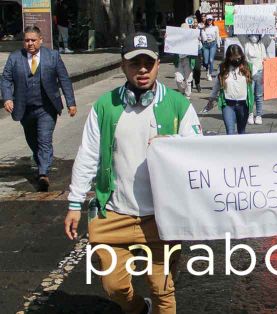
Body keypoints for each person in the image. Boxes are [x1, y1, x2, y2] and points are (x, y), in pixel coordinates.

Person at [64, 32, 202, 314]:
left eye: (148, 63)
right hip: (114, 213)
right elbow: (89, 154)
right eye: (134, 63)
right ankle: (139, 310)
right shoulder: (105, 106)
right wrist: (75, 203)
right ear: (122, 66)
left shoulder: (178, 105)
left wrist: (173, 144)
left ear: (157, 64)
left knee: (162, 289)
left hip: (161, 217)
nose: (142, 69)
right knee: (114, 287)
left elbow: (198, 152)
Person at [1, 26, 77, 191]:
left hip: (46, 108)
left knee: (44, 138)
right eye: (27, 40)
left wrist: (71, 102)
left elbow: (64, 79)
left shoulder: (53, 56)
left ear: (40, 40)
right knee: (32, 139)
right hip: (25, 108)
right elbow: (6, 79)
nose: (30, 43)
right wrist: (7, 98)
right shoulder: (15, 58)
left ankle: (43, 173)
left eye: (33, 40)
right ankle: (42, 160)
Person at [208, 45, 254, 135]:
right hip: (228, 105)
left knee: (241, 132)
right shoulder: (223, 67)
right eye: (233, 57)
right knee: (230, 132)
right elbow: (217, 84)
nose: (236, 60)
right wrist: (212, 97)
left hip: (243, 105)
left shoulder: (248, 67)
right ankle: (231, 149)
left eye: (238, 57)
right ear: (229, 57)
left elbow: (260, 77)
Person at [238, 34, 272, 125]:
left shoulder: (262, 43)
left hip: (260, 72)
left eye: (256, 35)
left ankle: (259, 115)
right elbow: (239, 34)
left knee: (259, 95)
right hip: (249, 72)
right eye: (252, 35)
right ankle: (250, 114)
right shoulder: (246, 43)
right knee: (250, 94)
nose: (254, 37)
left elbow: (269, 35)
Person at [174, 21, 197, 100]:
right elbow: (169, 47)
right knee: (178, 79)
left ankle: (187, 95)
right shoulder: (176, 38)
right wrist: (167, 39)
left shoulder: (192, 38)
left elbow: (199, 47)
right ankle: (182, 91)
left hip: (188, 60)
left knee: (188, 79)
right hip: (179, 60)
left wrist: (197, 41)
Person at [201, 15, 220, 81]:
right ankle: (207, 70)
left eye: (210, 20)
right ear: (206, 20)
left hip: (213, 44)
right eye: (208, 19)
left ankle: (210, 74)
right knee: (206, 61)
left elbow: (218, 36)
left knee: (211, 60)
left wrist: (219, 45)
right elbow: (202, 36)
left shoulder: (215, 27)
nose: (209, 21)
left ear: (212, 20)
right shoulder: (204, 27)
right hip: (205, 45)